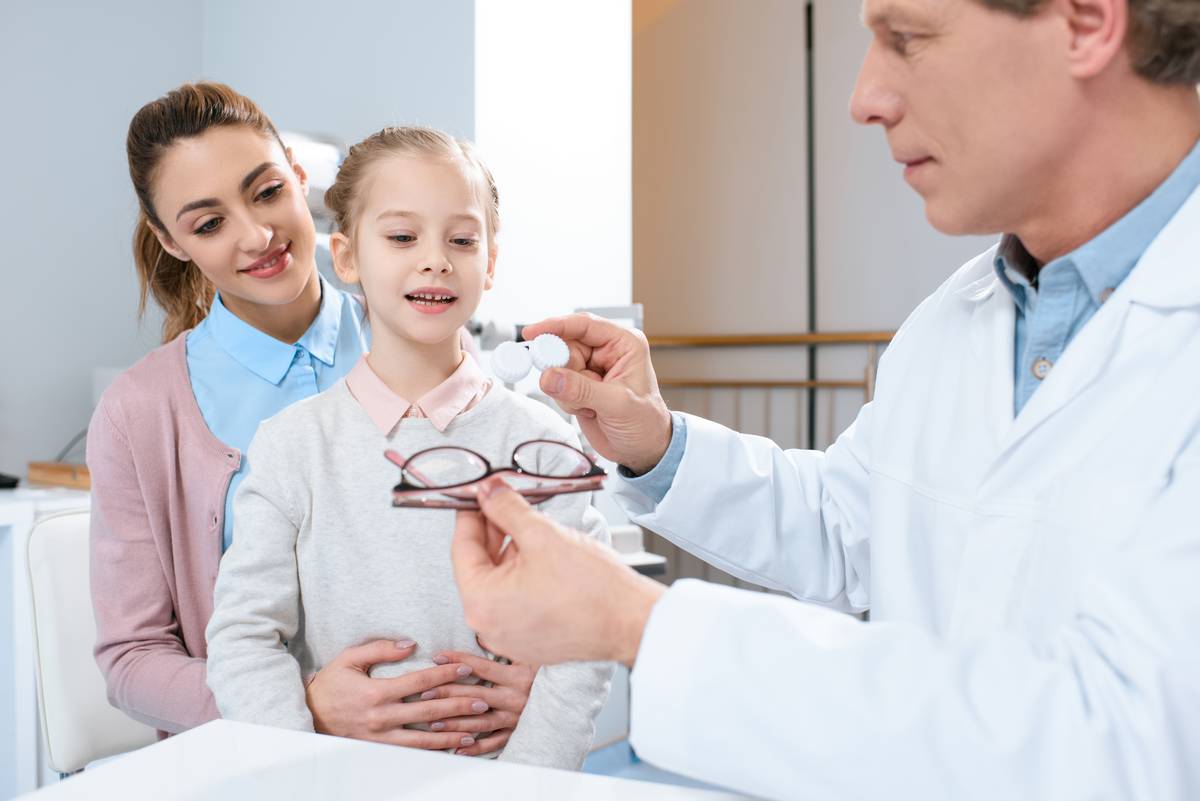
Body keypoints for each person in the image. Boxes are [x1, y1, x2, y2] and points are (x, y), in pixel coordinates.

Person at [448, 0, 1200, 798]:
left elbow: (1125, 738)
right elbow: (850, 524)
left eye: (907, 38)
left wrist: (637, 623)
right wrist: (656, 444)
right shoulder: (962, 314)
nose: (865, 97)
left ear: (1085, 22)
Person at [89, 83, 533, 752]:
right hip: (254, 762)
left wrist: (527, 678)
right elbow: (132, 660)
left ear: (299, 177)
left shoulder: (435, 341)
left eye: (267, 191)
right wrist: (299, 706)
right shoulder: (140, 412)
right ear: (170, 241)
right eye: (209, 223)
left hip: (449, 757)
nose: (258, 234)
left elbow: (513, 569)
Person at [203, 126, 613, 767]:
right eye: (401, 237)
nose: (436, 259)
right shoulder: (292, 447)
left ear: (492, 263)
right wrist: (300, 771)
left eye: (462, 240)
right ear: (346, 258)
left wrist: (523, 783)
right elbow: (243, 636)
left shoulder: (548, 447)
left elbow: (583, 641)